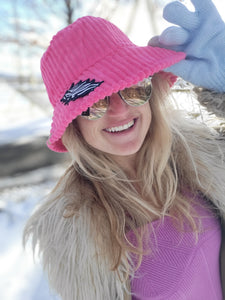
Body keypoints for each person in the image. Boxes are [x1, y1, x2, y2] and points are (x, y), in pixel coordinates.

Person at [23, 0, 225, 299]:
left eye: (132, 87)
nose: (119, 110)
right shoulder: (74, 231)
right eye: (94, 102)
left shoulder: (204, 158)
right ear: (73, 125)